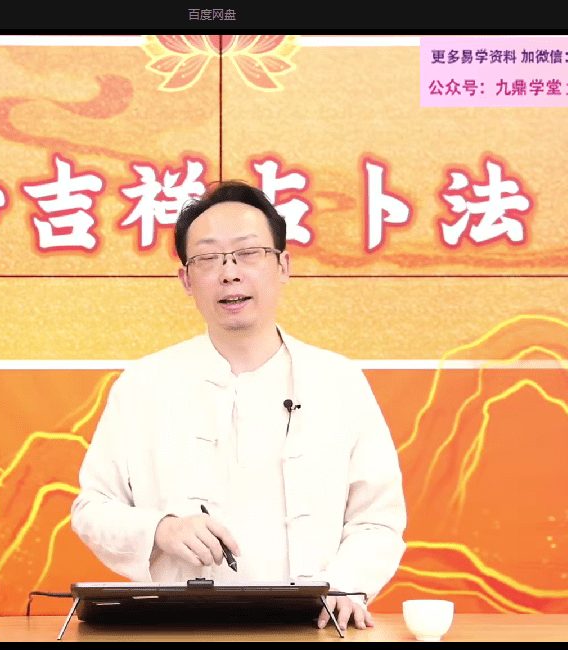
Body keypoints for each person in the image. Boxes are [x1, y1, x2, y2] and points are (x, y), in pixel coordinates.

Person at [70, 180, 407, 631]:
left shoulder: (339, 382)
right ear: (187, 280)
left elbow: (377, 518)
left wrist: (347, 584)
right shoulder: (143, 385)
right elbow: (93, 509)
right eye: (208, 258)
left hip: (312, 625)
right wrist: (160, 529)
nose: (229, 274)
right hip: (178, 628)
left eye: (248, 253)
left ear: (283, 266)